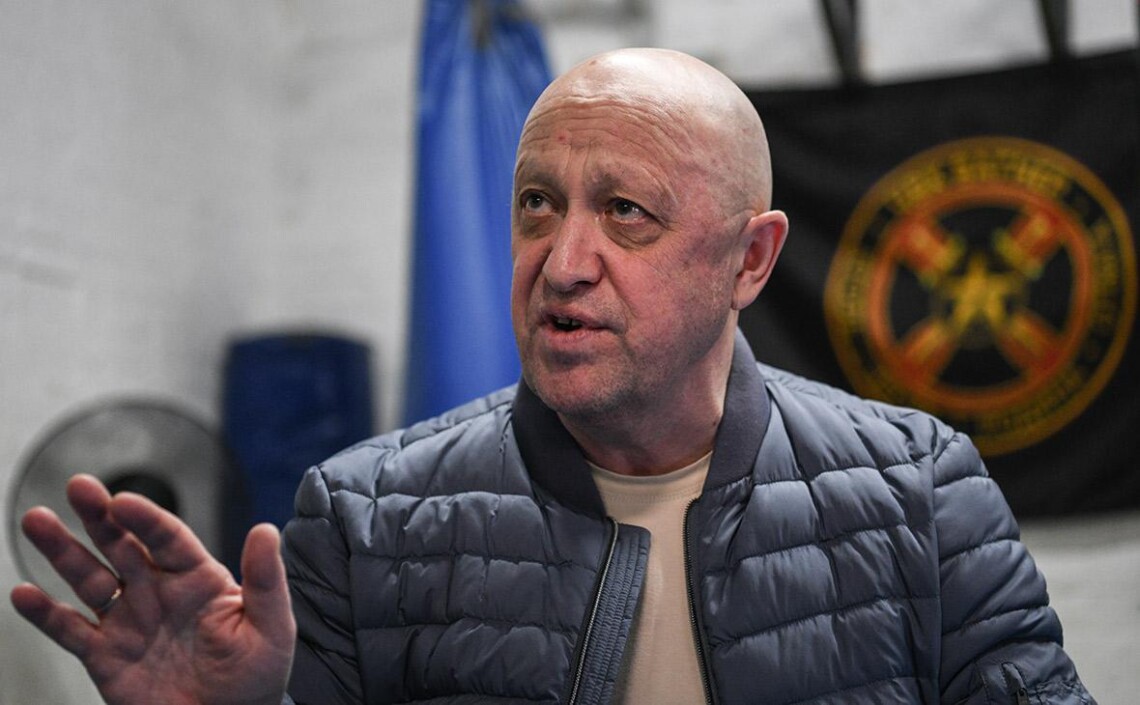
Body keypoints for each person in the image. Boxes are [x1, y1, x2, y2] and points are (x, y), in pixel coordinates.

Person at [10, 48, 1095, 705]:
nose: (563, 261)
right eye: (538, 203)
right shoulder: (365, 520)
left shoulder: (921, 491)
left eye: (626, 211)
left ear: (751, 260)